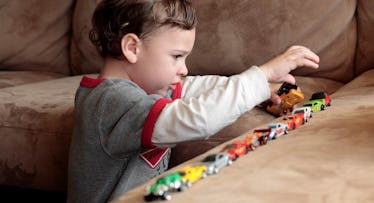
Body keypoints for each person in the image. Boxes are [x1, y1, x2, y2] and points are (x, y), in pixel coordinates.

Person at [67, 0, 319, 202]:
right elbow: (196, 120)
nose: (184, 69)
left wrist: (263, 89)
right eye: (176, 56)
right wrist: (260, 75)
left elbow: (196, 87)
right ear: (132, 48)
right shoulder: (110, 102)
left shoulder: (146, 90)